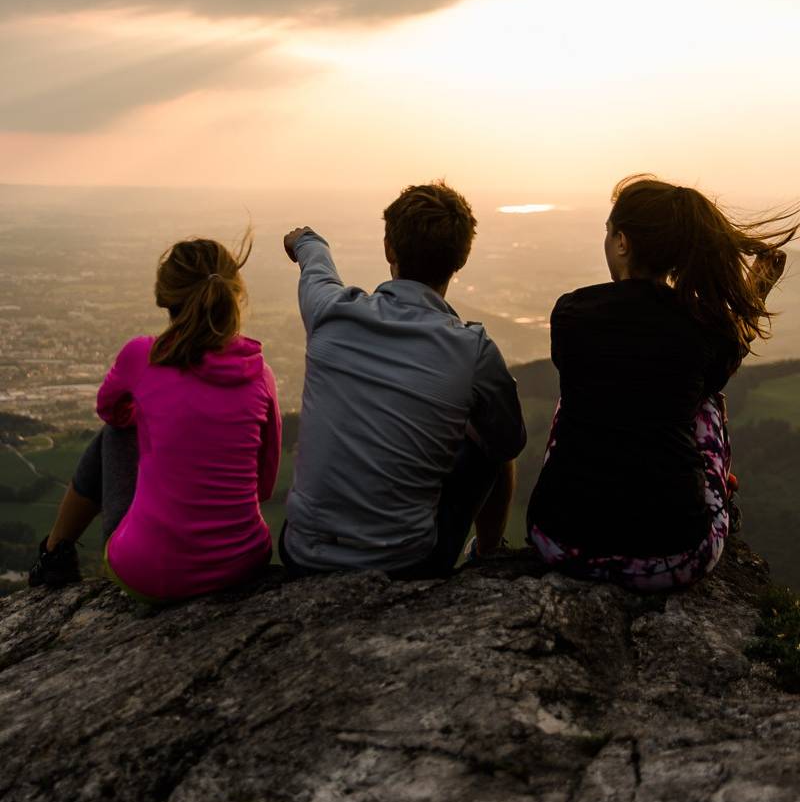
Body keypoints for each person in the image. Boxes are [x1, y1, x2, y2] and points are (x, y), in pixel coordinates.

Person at [526, 174, 797, 591]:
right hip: (674, 557)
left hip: (559, 543)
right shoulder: (704, 328)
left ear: (622, 242)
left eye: (608, 232)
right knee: (705, 400)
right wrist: (756, 286)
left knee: (578, 394)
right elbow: (726, 353)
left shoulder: (571, 312)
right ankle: (718, 493)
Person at [280, 181, 526, 578]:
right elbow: (508, 442)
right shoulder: (472, 349)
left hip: (302, 551)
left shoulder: (330, 310)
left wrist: (305, 240)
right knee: (491, 443)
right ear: (460, 259)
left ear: (388, 248)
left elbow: (316, 267)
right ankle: (489, 554)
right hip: (407, 564)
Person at [29, 233, 282, 602]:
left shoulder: (143, 356)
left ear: (167, 298)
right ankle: (55, 553)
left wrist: (159, 416)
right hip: (241, 565)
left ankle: (54, 555)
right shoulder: (261, 375)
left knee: (114, 434)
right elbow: (264, 485)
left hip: (151, 573)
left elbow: (110, 411)